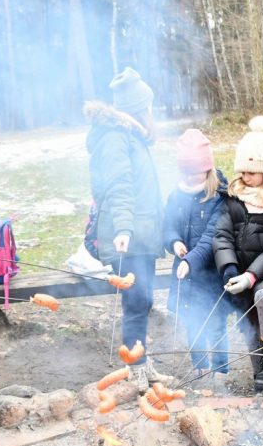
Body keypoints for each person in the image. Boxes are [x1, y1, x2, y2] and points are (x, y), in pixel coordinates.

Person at [84, 67, 169, 391]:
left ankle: (142, 361)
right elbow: (119, 186)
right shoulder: (115, 138)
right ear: (140, 108)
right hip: (129, 236)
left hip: (140, 234)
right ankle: (134, 368)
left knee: (144, 299)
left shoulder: (129, 136)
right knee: (135, 302)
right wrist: (123, 229)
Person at [213, 117, 263, 392]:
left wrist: (251, 275)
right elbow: (221, 236)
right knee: (247, 319)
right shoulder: (234, 198)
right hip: (239, 269)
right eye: (242, 171)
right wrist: (230, 268)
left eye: (252, 172)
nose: (245, 177)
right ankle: (261, 370)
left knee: (261, 300)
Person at [163, 128, 229, 389]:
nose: (190, 179)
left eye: (195, 173)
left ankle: (221, 369)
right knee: (192, 322)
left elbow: (211, 237)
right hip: (185, 276)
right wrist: (175, 242)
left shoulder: (219, 197)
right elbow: (167, 226)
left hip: (213, 273)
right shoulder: (176, 195)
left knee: (215, 322)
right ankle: (200, 367)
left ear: (207, 168)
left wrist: (191, 260)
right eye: (186, 173)